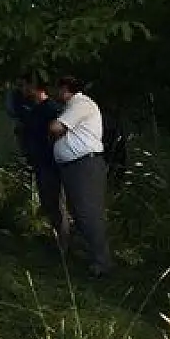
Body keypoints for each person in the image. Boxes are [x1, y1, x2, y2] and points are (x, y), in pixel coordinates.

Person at [49, 75, 112, 277]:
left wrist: (52, 129)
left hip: (85, 164)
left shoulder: (81, 104)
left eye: (57, 88)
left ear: (65, 88)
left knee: (88, 213)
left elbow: (56, 127)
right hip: (73, 165)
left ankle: (102, 262)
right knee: (79, 212)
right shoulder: (71, 107)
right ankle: (90, 256)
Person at [20, 71, 66, 247]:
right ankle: (56, 238)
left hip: (51, 163)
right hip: (39, 161)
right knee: (48, 201)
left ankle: (64, 242)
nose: (22, 89)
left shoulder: (52, 109)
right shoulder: (32, 109)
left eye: (24, 85)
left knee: (57, 202)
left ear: (33, 87)